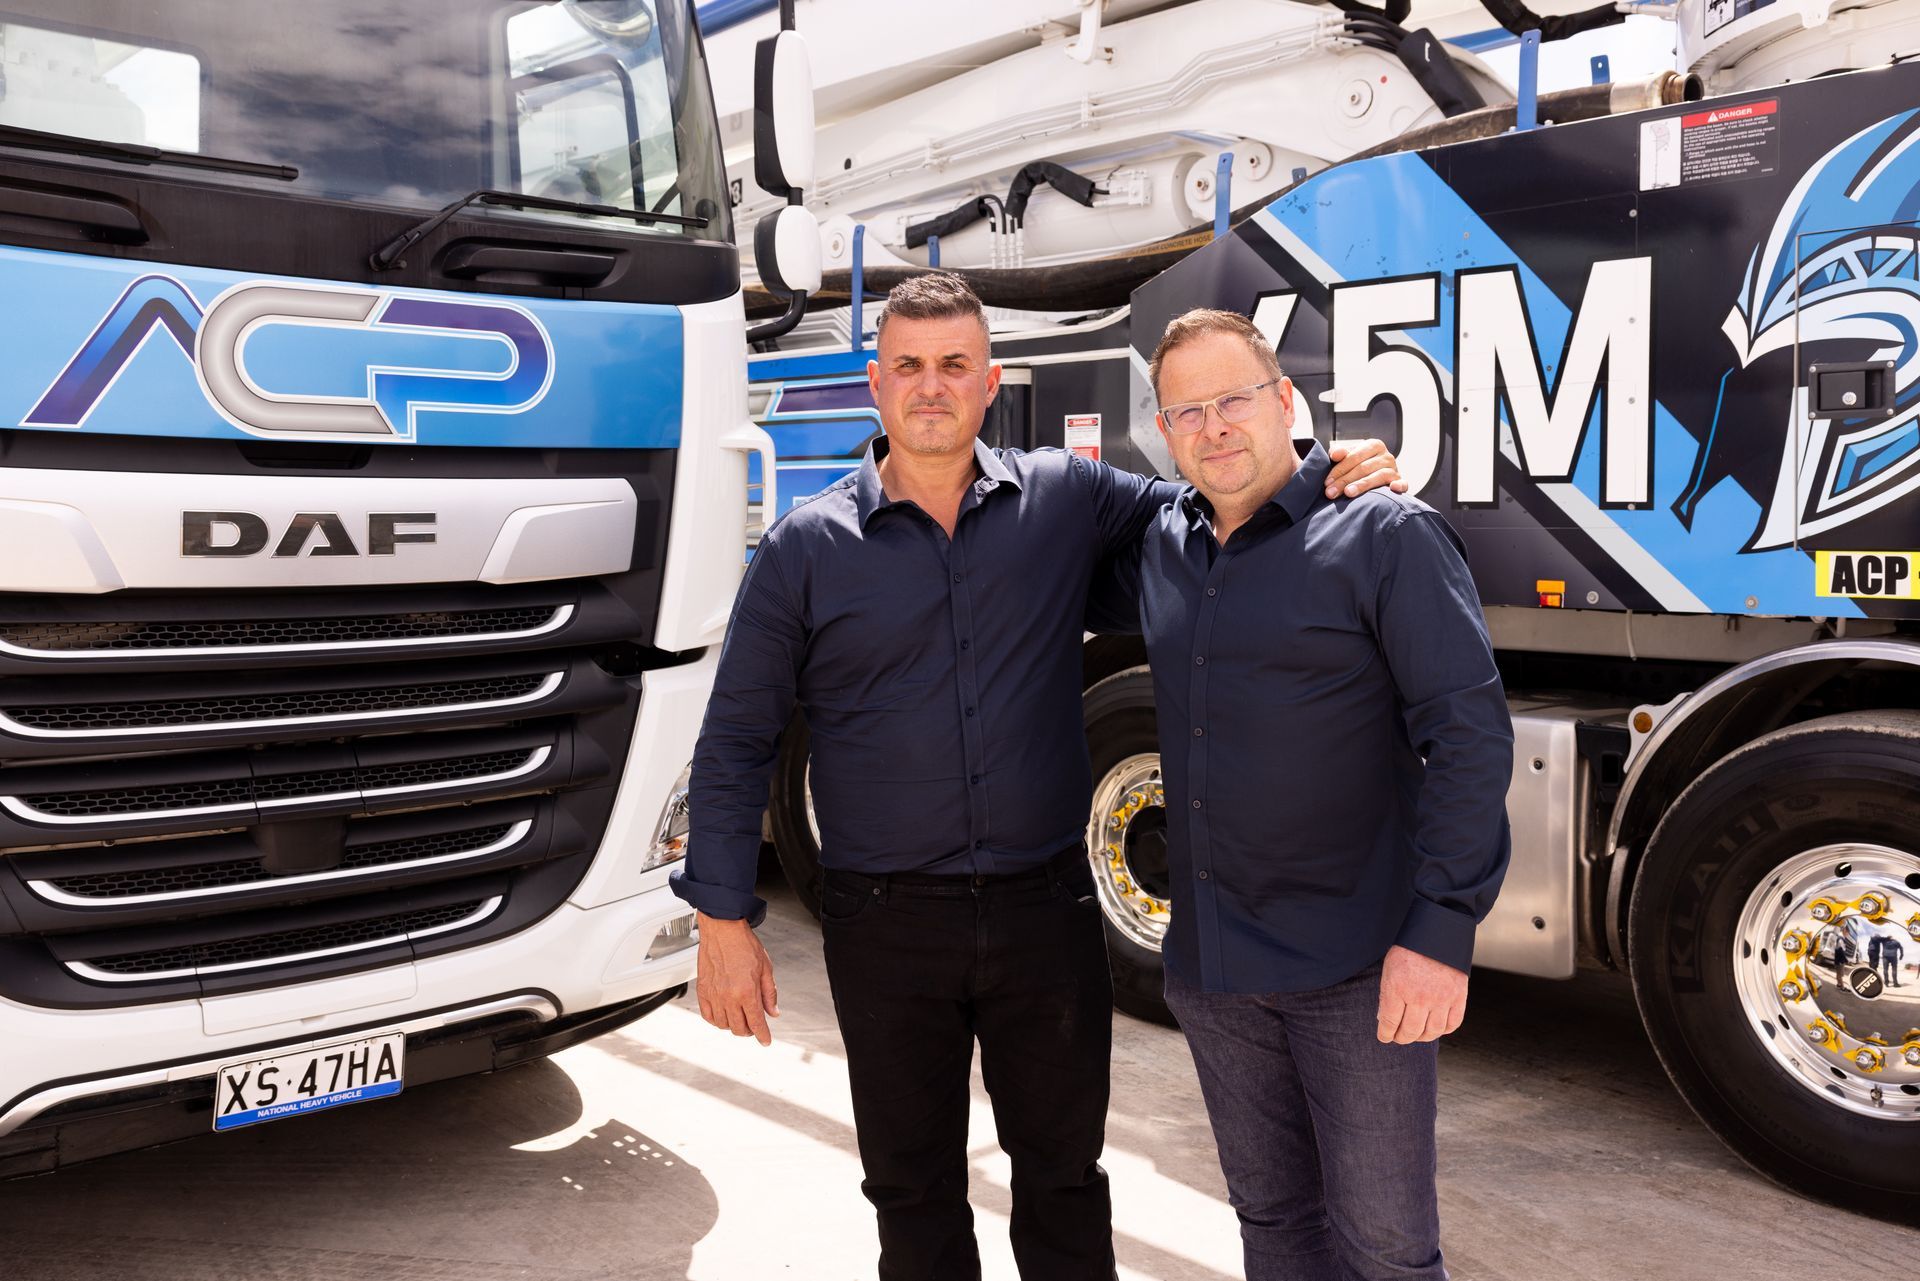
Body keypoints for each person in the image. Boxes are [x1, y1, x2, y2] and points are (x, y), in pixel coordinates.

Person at [671, 274, 1403, 1281]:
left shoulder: (1065, 497)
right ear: (877, 386)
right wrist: (721, 919)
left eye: (956, 366)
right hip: (885, 926)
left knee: (1064, 1179)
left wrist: (1325, 468)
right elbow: (736, 736)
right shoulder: (808, 549)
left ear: (991, 383)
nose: (934, 387)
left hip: (1044, 914)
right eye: (912, 368)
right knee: (911, 1185)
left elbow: (1212, 503)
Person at [1090, 308, 1513, 1281]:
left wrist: (1441, 932)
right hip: (1212, 971)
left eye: (1234, 398)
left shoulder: (1385, 534)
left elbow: (1467, 734)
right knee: (1273, 1225)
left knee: (1387, 1249)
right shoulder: (1160, 543)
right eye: (1185, 411)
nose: (1213, 427)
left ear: (1285, 401)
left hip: (1357, 972)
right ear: (1163, 431)